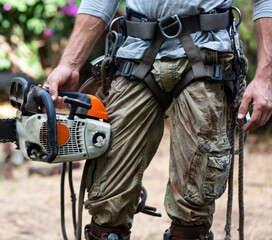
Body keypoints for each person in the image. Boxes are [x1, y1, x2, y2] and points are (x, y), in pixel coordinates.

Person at [44, 1, 272, 239]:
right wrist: (70, 64)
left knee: (192, 207)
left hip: (207, 53)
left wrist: (266, 75)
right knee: (106, 201)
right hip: (135, 51)